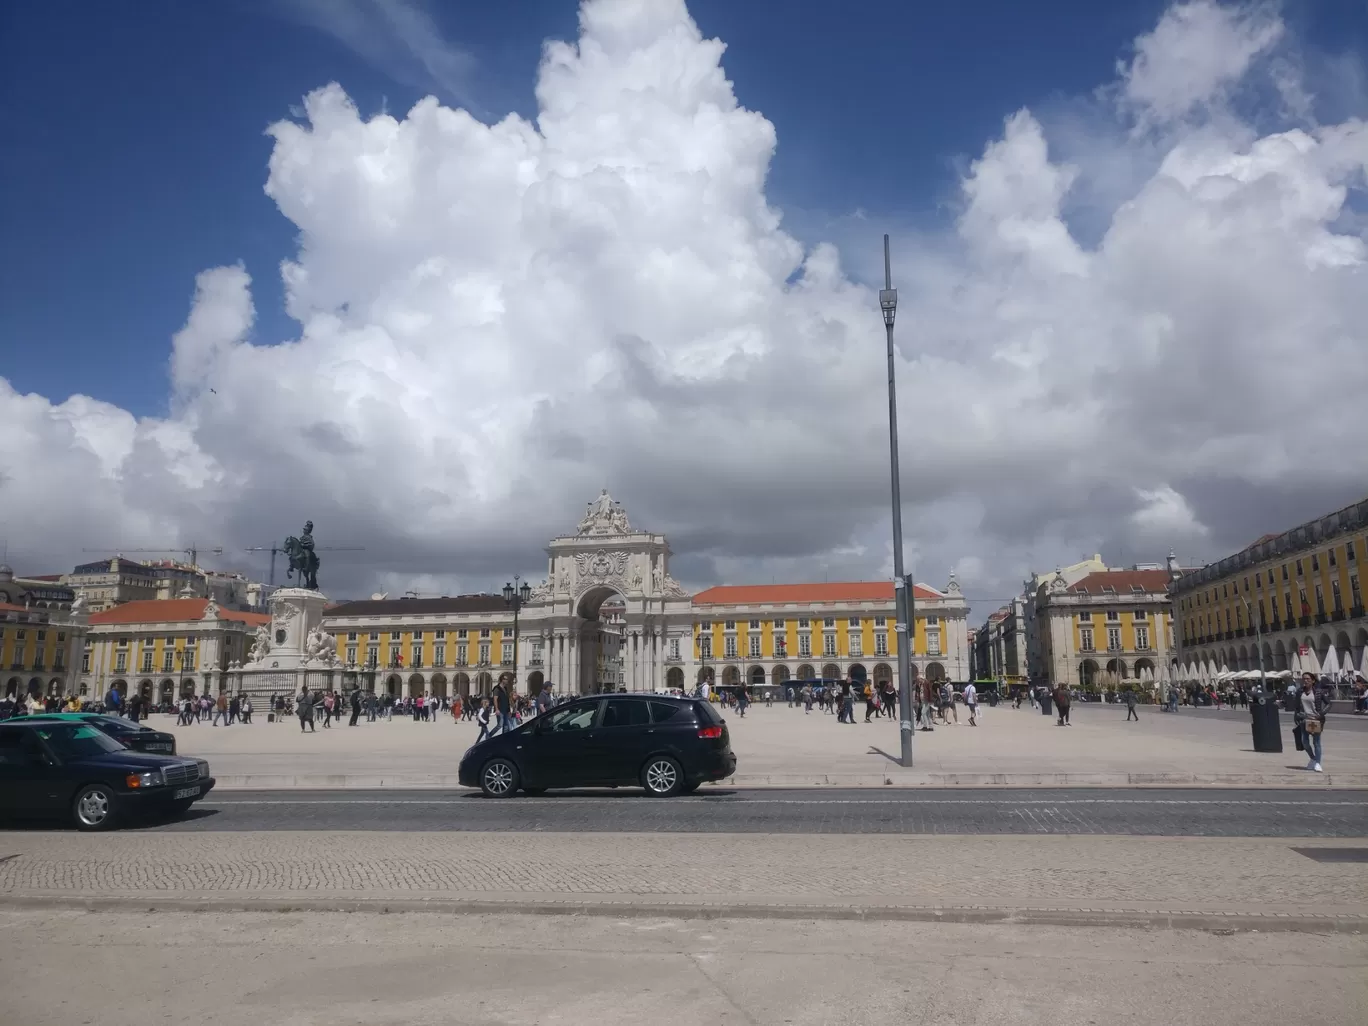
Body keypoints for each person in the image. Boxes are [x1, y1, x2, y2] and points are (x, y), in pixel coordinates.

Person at [1294, 672, 1327, 772]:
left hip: (1315, 720)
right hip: (1304, 720)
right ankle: (1313, 758)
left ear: (1313, 680)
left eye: (1308, 679)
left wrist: (1321, 714)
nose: (1306, 680)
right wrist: (1295, 716)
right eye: (1304, 679)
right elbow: (1296, 706)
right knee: (1305, 742)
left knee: (1316, 742)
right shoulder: (1300, 691)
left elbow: (1329, 704)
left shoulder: (1318, 691)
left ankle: (1318, 763)